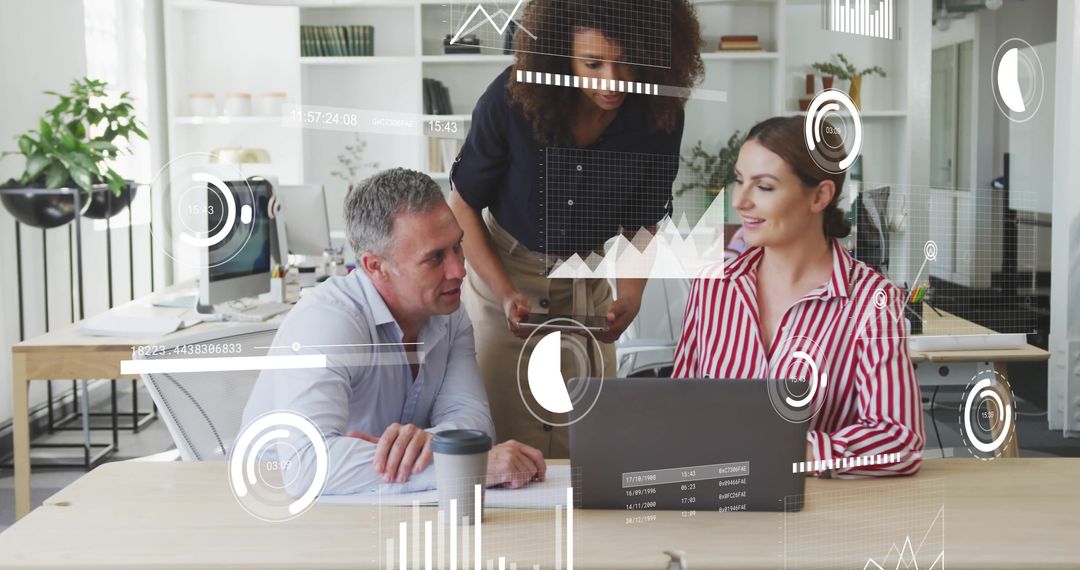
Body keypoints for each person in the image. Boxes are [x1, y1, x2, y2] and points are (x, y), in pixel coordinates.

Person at [448, 0, 705, 457]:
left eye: (626, 62)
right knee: (506, 450)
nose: (612, 81)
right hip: (503, 282)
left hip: (586, 286)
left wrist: (631, 295)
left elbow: (642, 221)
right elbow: (463, 205)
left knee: (589, 450)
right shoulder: (511, 100)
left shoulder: (658, 114)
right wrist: (504, 292)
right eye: (593, 64)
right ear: (559, 54)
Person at [242, 168, 546, 495]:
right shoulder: (327, 321)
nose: (459, 270)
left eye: (457, 246)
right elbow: (305, 464)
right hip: (268, 502)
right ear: (376, 267)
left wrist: (425, 445)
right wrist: (465, 465)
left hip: (370, 501)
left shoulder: (449, 314)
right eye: (435, 258)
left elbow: (473, 424)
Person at [672, 117, 925, 477]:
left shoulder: (872, 302)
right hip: (718, 500)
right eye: (740, 181)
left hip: (817, 506)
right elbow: (679, 410)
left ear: (820, 196)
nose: (740, 201)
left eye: (764, 187)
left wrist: (788, 451)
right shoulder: (712, 288)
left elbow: (899, 440)